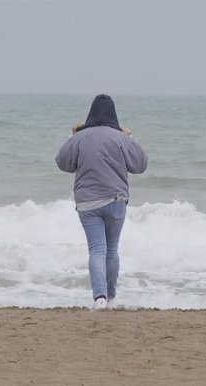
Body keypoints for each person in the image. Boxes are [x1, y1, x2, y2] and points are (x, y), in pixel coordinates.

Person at [55, 94, 148, 310]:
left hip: (88, 203)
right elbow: (140, 165)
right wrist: (131, 137)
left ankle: (99, 298)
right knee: (112, 250)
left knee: (96, 249)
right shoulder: (120, 137)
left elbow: (62, 163)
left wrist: (72, 136)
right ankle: (112, 297)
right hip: (116, 199)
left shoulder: (80, 137)